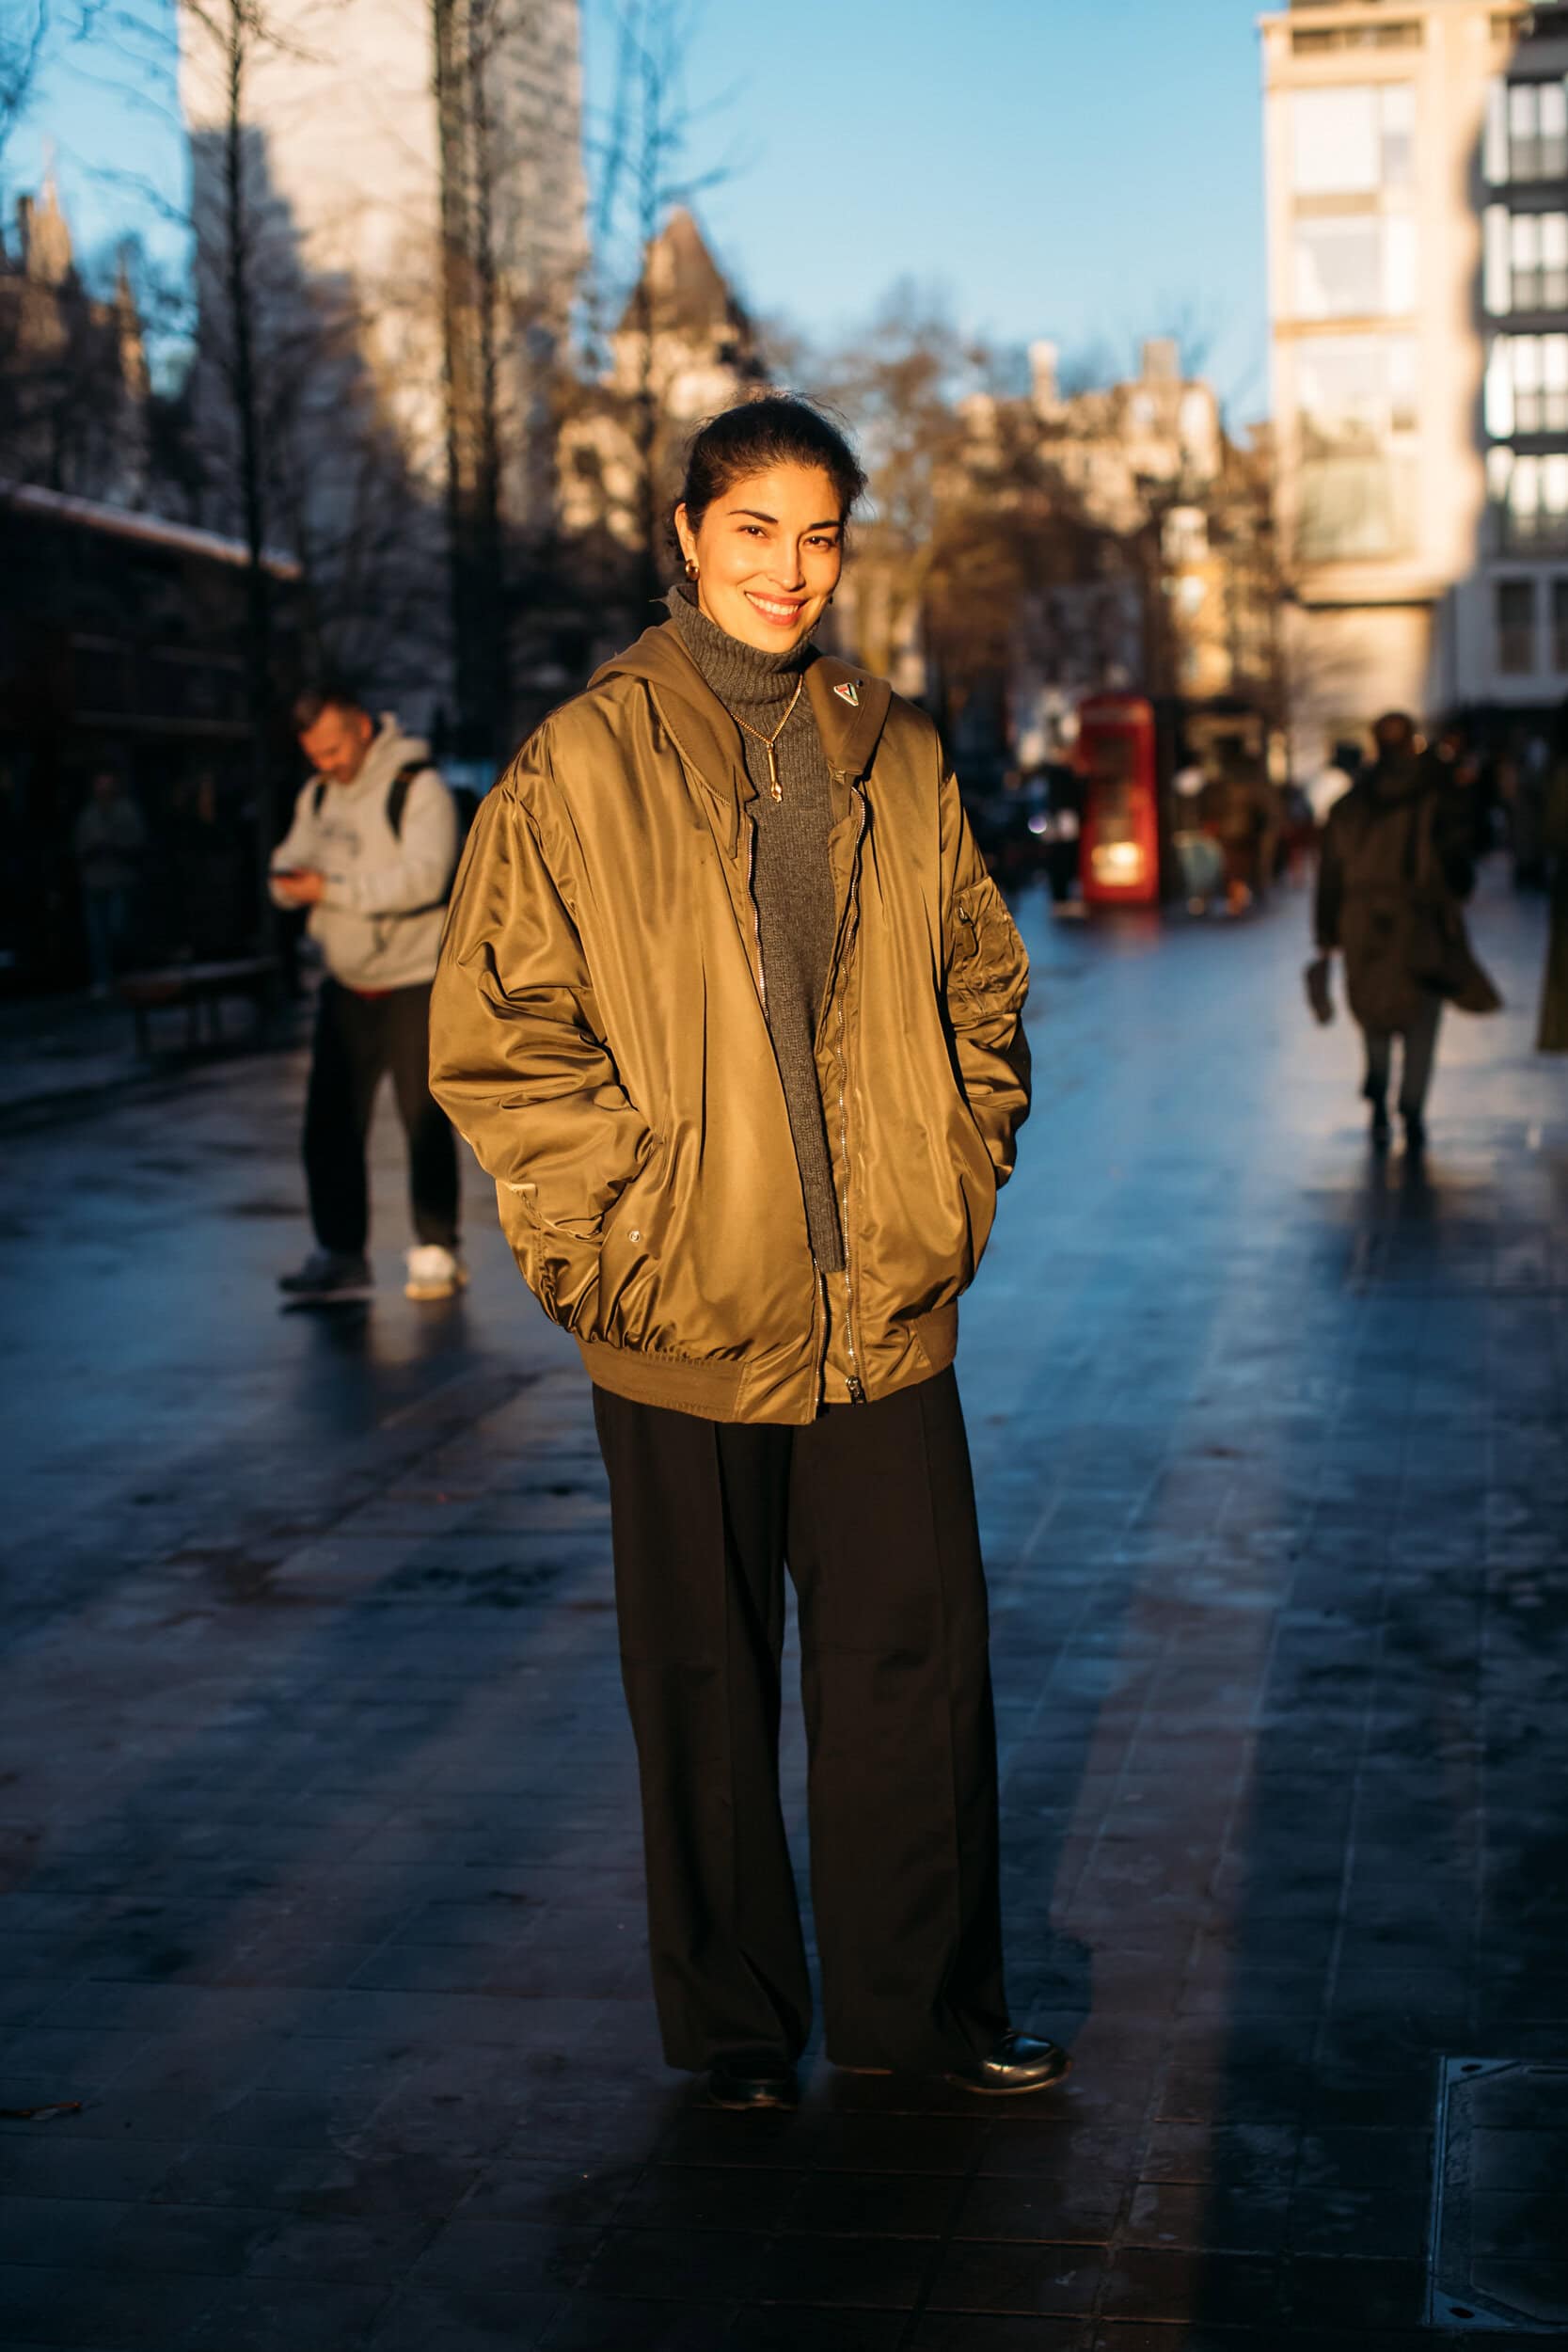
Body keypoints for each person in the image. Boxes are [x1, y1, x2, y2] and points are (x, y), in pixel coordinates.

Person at [430, 394, 1068, 2113]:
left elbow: (983, 986)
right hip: (682, 1307)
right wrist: (615, 1244)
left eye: (822, 535)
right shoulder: (582, 763)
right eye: (756, 530)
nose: (792, 569)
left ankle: (917, 2017)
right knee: (704, 1685)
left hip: (883, 1310)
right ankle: (729, 2035)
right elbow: (503, 1037)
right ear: (689, 537)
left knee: (915, 1674)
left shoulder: (900, 750)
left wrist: (955, 1167)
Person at [271, 681, 465, 1304]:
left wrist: (330, 890)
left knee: (424, 1120)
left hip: (414, 980)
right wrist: (291, 883)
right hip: (347, 982)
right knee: (328, 1126)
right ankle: (340, 1253)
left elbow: (426, 878)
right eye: (313, 755)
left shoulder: (417, 786)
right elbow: (286, 864)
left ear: (358, 726)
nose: (325, 764)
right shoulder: (320, 793)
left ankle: (436, 1248)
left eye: (331, 749)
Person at [1314, 710, 1475, 1152]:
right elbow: (1460, 862)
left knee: (1375, 1012)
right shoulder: (1435, 799)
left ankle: (1380, 1094)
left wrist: (1327, 935)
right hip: (1420, 920)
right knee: (1422, 1018)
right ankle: (1412, 1106)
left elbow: (1330, 876)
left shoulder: (1348, 808)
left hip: (1363, 924)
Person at [73, 768, 147, 995]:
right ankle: (103, 980)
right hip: (94, 882)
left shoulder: (126, 812)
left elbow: (138, 844)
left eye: (107, 784)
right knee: (97, 936)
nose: (103, 789)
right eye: (99, 784)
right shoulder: (88, 815)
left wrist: (115, 846)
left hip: (119, 881)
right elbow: (78, 847)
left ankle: (125, 977)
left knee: (118, 930)